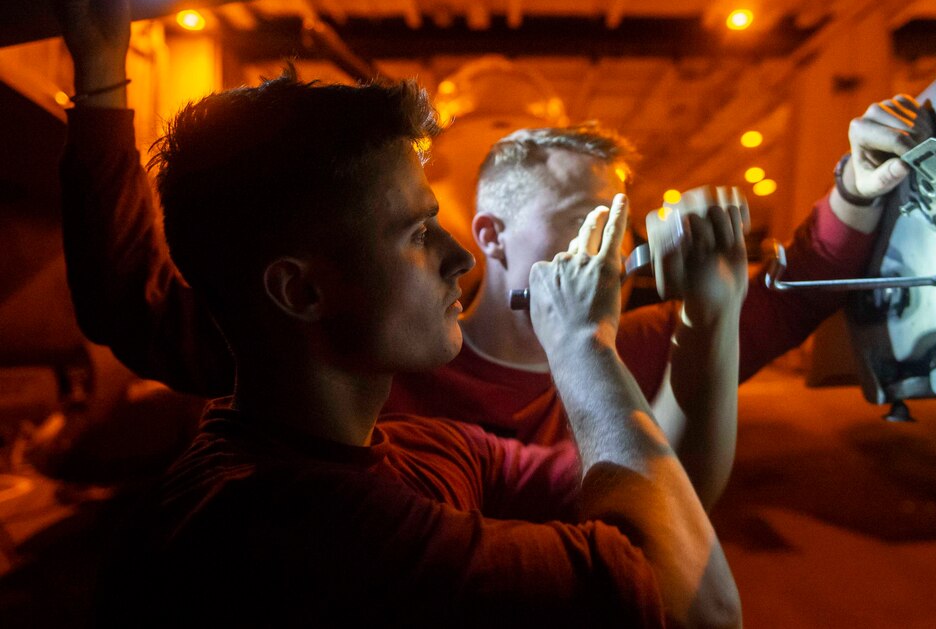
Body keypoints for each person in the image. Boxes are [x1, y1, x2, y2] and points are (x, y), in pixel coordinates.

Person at [59, 0, 932, 509]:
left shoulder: (621, 345)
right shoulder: (354, 347)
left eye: (622, 220)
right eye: (588, 217)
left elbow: (787, 297)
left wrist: (856, 188)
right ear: (490, 231)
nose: (620, 246)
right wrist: (101, 79)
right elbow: (132, 300)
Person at [90, 61, 744, 626]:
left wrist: (708, 319)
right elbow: (697, 606)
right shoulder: (314, 532)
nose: (458, 256)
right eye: (415, 231)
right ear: (300, 291)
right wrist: (581, 346)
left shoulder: (405, 449)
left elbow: (661, 488)